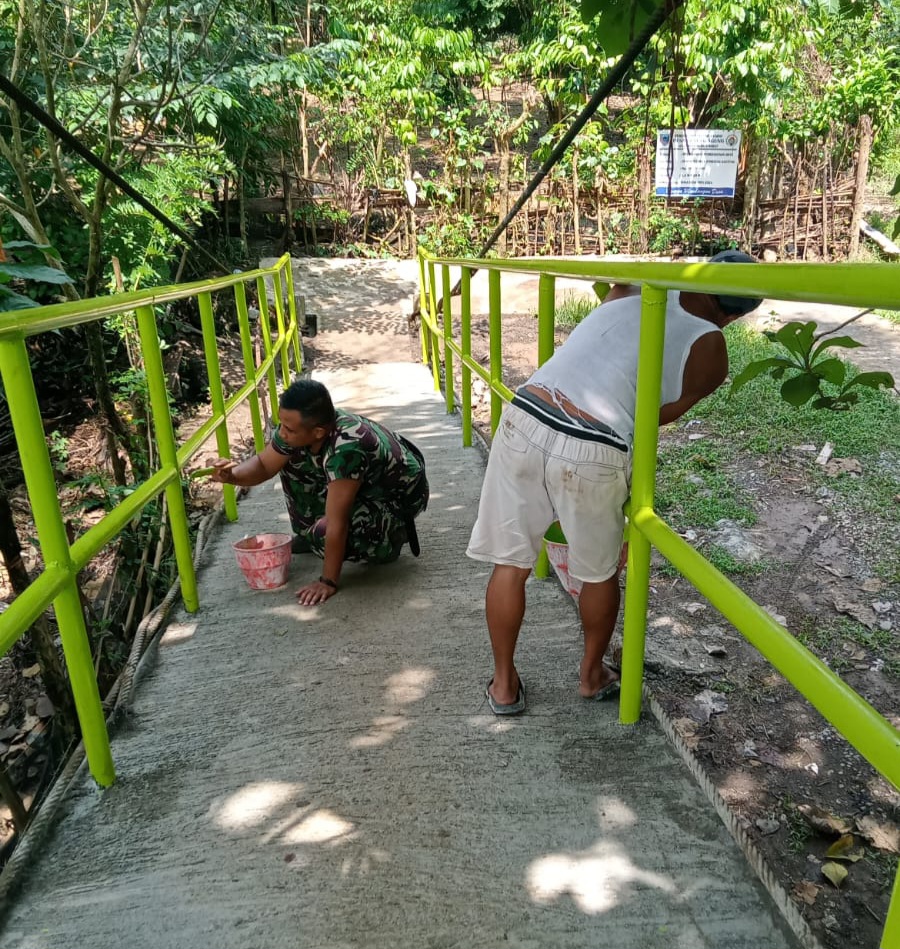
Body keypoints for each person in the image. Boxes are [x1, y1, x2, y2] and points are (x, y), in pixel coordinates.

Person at [466, 250, 762, 715]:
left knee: (510, 565)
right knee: (598, 573)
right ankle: (590, 675)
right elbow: (654, 417)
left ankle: (503, 686)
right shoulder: (711, 350)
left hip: (525, 414)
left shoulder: (636, 285)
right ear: (734, 316)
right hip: (595, 444)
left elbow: (606, 306)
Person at [212, 378, 429, 606]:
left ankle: (387, 543)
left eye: (289, 429)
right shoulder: (301, 429)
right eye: (281, 424)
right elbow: (265, 465)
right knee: (290, 458)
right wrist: (232, 475)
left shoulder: (346, 448)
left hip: (395, 502)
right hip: (366, 485)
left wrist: (328, 581)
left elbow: (338, 523)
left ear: (318, 432)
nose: (282, 433)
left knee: (324, 535)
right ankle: (307, 533)